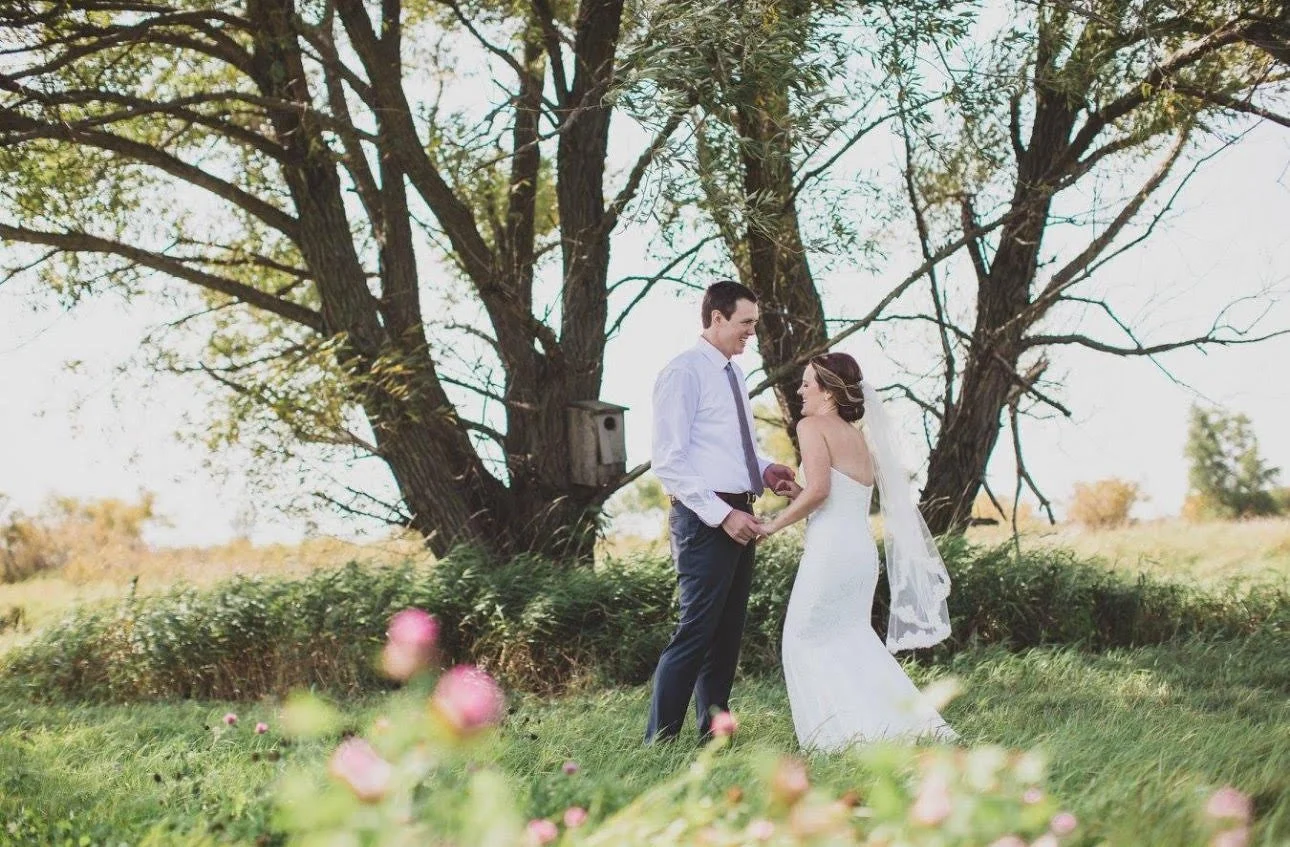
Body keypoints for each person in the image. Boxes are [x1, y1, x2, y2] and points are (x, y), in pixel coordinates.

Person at [761, 352, 956, 750]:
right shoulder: (858, 438)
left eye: (806, 383)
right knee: (850, 640)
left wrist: (771, 525)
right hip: (859, 553)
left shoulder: (812, 425)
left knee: (801, 639)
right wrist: (795, 493)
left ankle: (837, 738)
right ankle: (895, 727)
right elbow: (834, 498)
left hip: (831, 552)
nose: (799, 390)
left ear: (829, 391)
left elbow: (820, 492)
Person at [646, 280, 797, 744]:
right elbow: (669, 461)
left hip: (739, 511)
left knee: (727, 633)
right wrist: (722, 515)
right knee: (696, 629)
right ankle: (661, 740)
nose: (752, 332)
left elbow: (735, 449)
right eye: (745, 323)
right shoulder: (684, 373)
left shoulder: (734, 375)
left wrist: (767, 470)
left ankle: (714, 734)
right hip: (704, 518)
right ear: (716, 318)